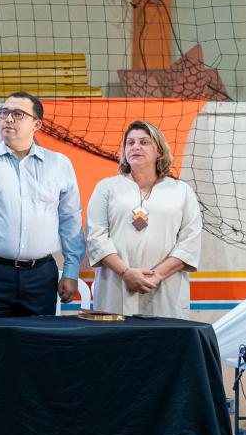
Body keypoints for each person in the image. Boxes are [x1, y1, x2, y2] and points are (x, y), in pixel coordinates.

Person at [0, 92, 85, 316]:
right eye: (4, 113)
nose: (9, 119)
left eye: (18, 114)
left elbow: (70, 220)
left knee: (39, 338)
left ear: (36, 124)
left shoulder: (59, 164)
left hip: (41, 277)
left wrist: (71, 271)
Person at [86, 121, 201, 319]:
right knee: (116, 337)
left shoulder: (181, 191)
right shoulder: (107, 187)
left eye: (144, 142)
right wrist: (126, 273)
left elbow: (190, 241)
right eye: (130, 143)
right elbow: (96, 237)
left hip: (165, 287)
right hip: (116, 285)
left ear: (159, 151)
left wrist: (156, 276)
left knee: (164, 336)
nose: (135, 147)